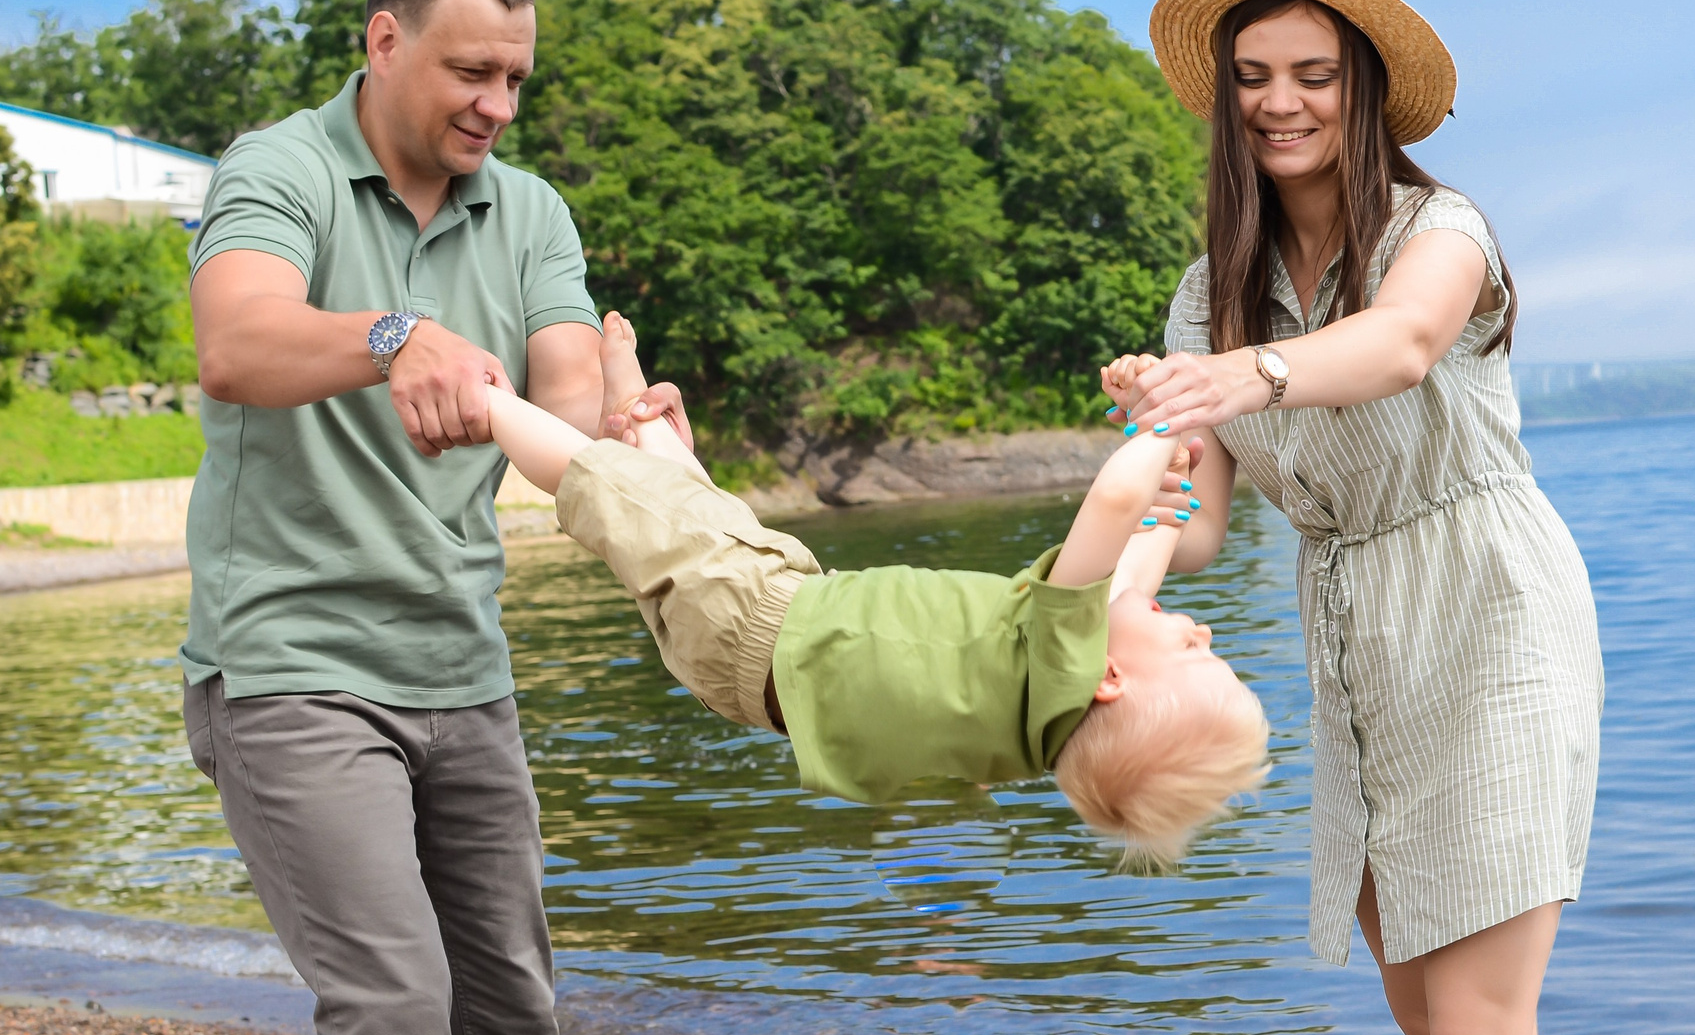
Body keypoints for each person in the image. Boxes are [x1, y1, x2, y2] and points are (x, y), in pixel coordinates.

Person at [182, 0, 709, 1035]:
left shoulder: (526, 208)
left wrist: (622, 413)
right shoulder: (276, 168)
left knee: (510, 1013)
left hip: (458, 667)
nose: (497, 104)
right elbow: (237, 340)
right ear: (387, 42)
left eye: (517, 80)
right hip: (288, 668)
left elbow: (556, 386)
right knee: (394, 1008)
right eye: (473, 71)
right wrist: (395, 336)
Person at [1109, 0, 1619, 1035]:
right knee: (1428, 1011)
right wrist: (1139, 505)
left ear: (1365, 88)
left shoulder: (1440, 235)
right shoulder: (1217, 289)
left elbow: (1389, 353)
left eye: (1312, 76)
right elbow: (1198, 523)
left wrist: (1232, 384)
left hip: (1491, 614)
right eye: (1254, 78)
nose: (1281, 102)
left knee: (1480, 1032)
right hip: (1360, 639)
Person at [483, 315, 1269, 856]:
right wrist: (1162, 453)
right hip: (777, 644)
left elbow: (1117, 503)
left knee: (607, 486)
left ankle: (484, 404)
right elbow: (1145, 547)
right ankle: (634, 399)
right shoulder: (1057, 695)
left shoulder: (1064, 657)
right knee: (679, 498)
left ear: (1107, 679)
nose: (1202, 633)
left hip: (761, 622)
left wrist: (1160, 423)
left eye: (1197, 654)